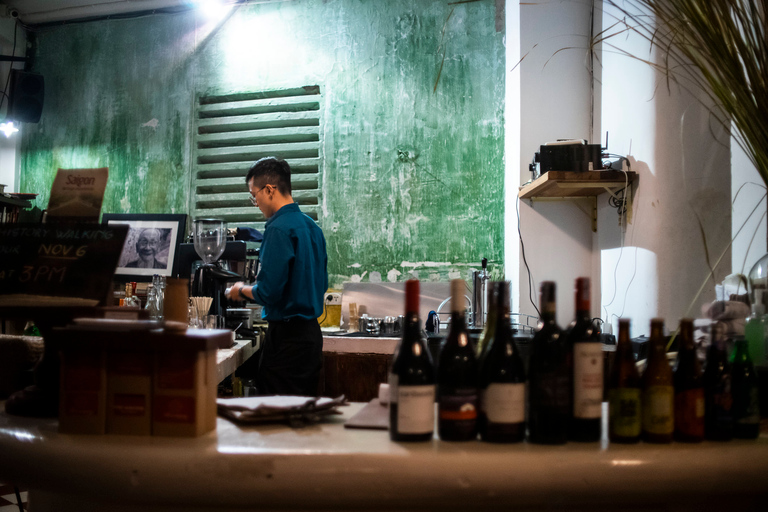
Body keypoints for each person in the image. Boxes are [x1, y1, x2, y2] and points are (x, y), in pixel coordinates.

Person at [226, 157, 328, 396]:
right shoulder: (313, 227)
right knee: (301, 418)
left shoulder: (277, 228)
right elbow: (321, 285)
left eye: (255, 195)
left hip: (286, 341)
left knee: (276, 422)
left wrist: (240, 289)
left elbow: (268, 292)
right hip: (311, 339)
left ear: (269, 190)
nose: (255, 203)